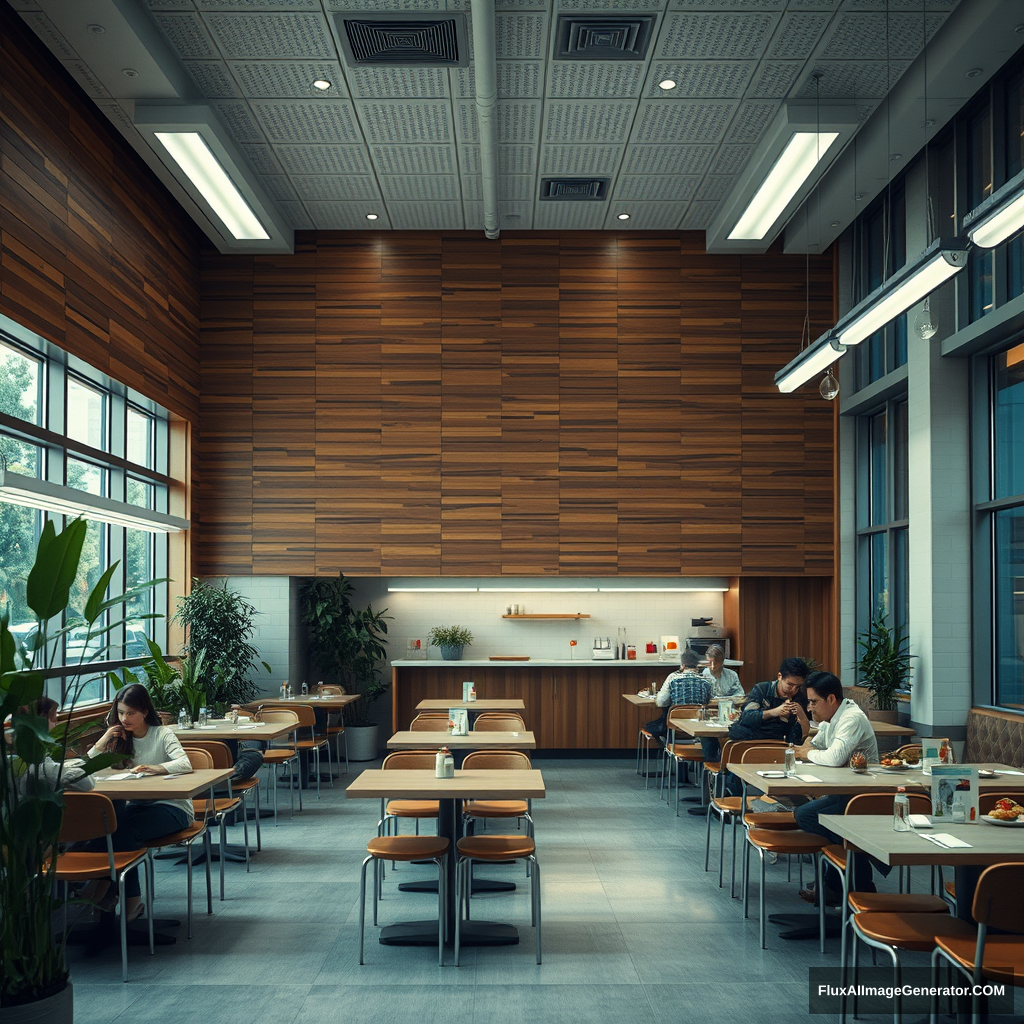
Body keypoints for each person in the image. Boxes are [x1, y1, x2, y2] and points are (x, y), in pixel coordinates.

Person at [82, 683, 193, 919]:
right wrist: (103, 741)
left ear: (145, 711)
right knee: (107, 830)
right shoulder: (119, 738)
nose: (124, 718)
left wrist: (155, 768)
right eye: (121, 712)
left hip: (173, 809)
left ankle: (117, 895)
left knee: (123, 833)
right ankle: (110, 893)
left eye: (130, 713)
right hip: (138, 806)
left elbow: (185, 764)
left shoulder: (162, 734)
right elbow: (83, 769)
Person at [791, 671, 882, 906]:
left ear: (831, 699)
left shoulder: (851, 718)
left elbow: (834, 757)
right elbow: (815, 742)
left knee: (818, 819)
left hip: (865, 796)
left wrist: (806, 753)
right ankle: (846, 884)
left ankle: (851, 883)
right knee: (810, 816)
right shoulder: (832, 718)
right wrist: (808, 749)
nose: (809, 708)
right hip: (845, 792)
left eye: (813, 702)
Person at [729, 657, 811, 745]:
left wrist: (802, 717)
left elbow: (800, 737)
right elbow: (746, 717)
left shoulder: (802, 696)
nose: (794, 690)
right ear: (779, 676)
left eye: (798, 686)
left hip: (783, 745)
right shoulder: (762, 689)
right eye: (790, 684)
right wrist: (774, 712)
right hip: (753, 742)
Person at [644, 649, 713, 743]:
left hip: (675, 729)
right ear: (697, 666)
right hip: (699, 730)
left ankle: (667, 747)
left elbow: (661, 702)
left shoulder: (673, 678)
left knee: (650, 726)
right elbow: (709, 701)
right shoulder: (707, 681)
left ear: (683, 665)